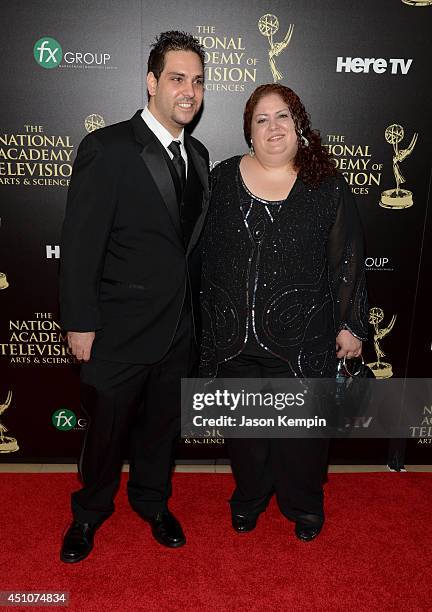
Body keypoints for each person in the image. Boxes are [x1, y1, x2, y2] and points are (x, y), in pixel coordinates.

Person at [59, 31, 209, 562]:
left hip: (177, 330)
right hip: (118, 329)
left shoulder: (199, 153)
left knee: (160, 431)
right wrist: (80, 322)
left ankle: (152, 502)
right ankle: (88, 515)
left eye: (196, 81)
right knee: (105, 434)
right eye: (176, 78)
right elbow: (80, 245)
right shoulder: (109, 146)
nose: (188, 91)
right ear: (151, 82)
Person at [200, 83, 368, 541]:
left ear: (299, 127)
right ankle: (249, 499)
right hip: (232, 338)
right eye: (262, 119)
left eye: (283, 117)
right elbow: (196, 252)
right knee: (245, 437)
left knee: (302, 439)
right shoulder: (220, 178)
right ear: (248, 131)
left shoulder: (326, 186)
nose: (273, 127)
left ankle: (304, 505)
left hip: (304, 339)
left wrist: (351, 324)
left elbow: (348, 258)